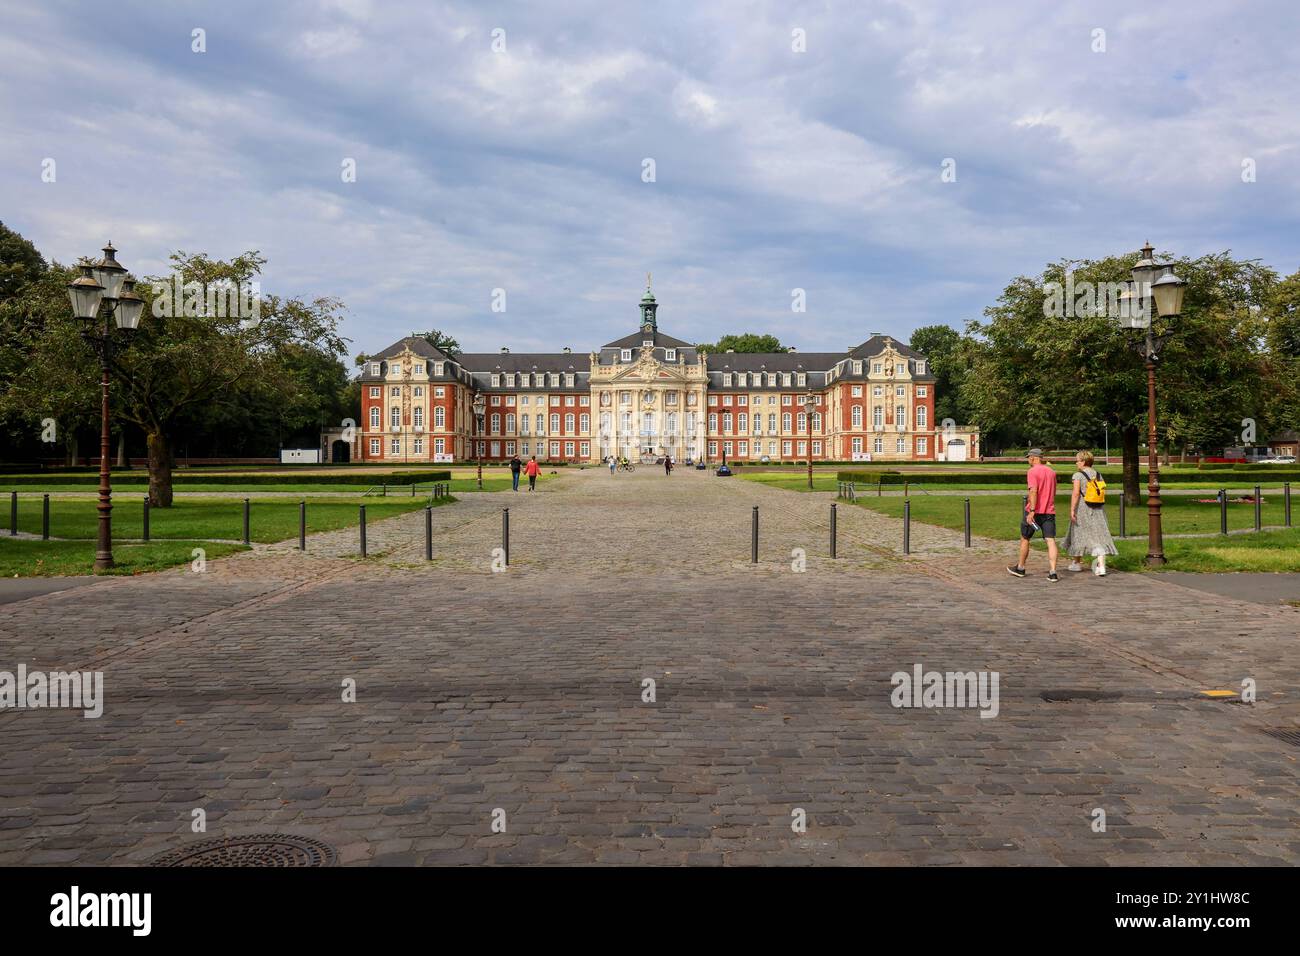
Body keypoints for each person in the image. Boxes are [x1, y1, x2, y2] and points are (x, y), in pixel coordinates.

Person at [1062, 450, 1117, 576]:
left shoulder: (1078, 475)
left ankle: (1076, 563)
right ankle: (1101, 566)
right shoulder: (1098, 474)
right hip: (1097, 508)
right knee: (1098, 536)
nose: (1076, 463)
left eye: (1077, 460)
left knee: (1078, 533)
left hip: (1082, 508)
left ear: (1083, 461)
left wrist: (1072, 509)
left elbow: (1076, 494)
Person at [1008, 448, 1059, 581]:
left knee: (1025, 538)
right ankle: (1053, 571)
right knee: (1050, 540)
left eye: (1028, 458)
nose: (1028, 460)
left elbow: (1033, 491)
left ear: (1033, 458)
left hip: (1035, 512)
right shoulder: (1052, 472)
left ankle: (1021, 567)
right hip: (1049, 511)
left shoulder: (1032, 471)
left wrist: (1032, 510)